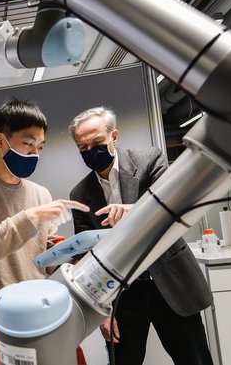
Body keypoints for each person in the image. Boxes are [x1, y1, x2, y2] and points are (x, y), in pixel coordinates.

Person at [68, 106, 213, 365]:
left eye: (98, 142)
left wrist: (133, 211)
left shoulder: (148, 160)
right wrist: (100, 312)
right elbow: (85, 258)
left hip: (169, 281)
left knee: (194, 359)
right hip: (122, 295)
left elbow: (177, 205)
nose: (91, 151)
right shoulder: (80, 194)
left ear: (114, 136)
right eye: (83, 148)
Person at [0, 98, 89, 365]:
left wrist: (72, 253)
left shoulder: (40, 193)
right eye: (28, 143)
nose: (35, 153)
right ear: (0, 141)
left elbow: (45, 260)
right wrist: (30, 216)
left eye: (40, 146)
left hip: (42, 311)